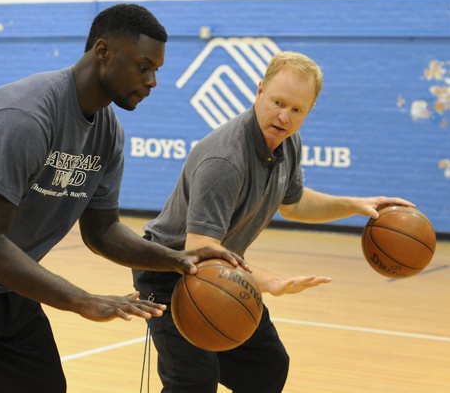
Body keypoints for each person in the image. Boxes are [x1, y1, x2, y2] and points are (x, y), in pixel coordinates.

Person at [0, 4, 245, 393]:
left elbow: (103, 232)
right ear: (103, 52)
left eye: (157, 70)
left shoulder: (108, 135)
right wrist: (81, 299)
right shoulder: (25, 115)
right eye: (143, 66)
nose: (152, 80)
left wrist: (176, 259)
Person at [132, 51, 415, 392]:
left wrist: (354, 205)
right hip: (169, 269)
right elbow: (200, 249)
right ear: (260, 91)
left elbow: (293, 203)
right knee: (193, 381)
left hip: (219, 267)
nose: (284, 116)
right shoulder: (224, 160)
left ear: (309, 110)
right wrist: (270, 281)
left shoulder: (288, 142)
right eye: (278, 102)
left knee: (266, 366)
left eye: (297, 109)